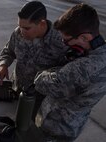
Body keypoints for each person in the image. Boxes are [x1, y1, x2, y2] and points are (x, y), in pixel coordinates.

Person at [34, 3, 106, 141]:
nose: (65, 45)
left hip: (55, 126)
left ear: (85, 37)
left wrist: (49, 71)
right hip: (74, 125)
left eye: (67, 41)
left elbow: (41, 83)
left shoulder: (81, 68)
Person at [0, 1, 68, 121]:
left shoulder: (61, 41)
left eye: (26, 28)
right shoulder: (18, 33)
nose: (21, 31)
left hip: (40, 101)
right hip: (16, 89)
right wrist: (3, 65)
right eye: (19, 26)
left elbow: (66, 74)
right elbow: (8, 51)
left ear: (42, 24)